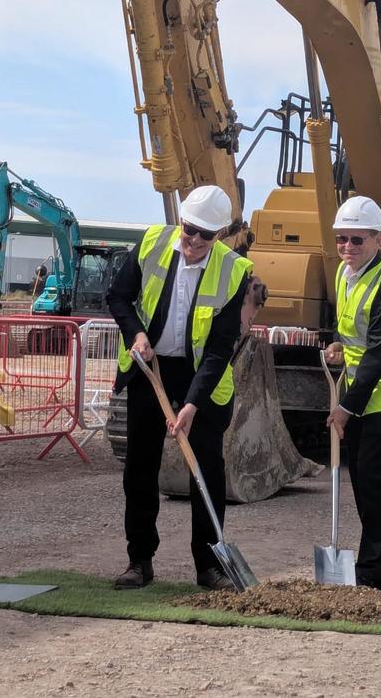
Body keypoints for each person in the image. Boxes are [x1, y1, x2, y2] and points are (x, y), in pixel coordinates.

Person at [106, 185, 252, 592]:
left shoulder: (234, 270)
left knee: (206, 468)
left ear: (220, 235)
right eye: (190, 230)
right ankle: (139, 560)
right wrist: (135, 334)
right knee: (140, 466)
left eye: (206, 235)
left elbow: (221, 347)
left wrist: (191, 405)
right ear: (181, 222)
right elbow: (118, 297)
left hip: (199, 376)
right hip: (149, 366)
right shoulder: (152, 243)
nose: (195, 241)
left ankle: (209, 567)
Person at [323, 195, 381, 589]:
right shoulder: (347, 277)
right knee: (361, 477)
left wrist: (345, 407)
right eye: (342, 238)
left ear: (379, 240)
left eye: (356, 239)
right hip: (362, 391)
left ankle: (377, 569)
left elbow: (379, 354)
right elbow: (356, 336)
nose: (347, 247)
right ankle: (370, 563)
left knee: (373, 477)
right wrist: (338, 347)